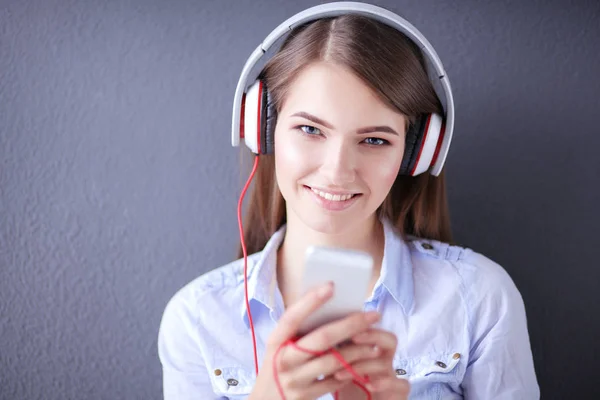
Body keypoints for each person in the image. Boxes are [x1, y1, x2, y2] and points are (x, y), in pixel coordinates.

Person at [158, 3, 540, 399]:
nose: (338, 171)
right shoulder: (197, 319)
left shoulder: (479, 299)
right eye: (310, 129)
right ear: (264, 128)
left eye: (374, 140)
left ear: (416, 154)